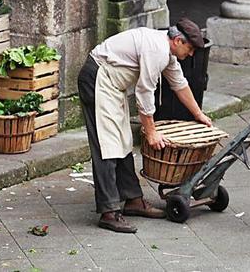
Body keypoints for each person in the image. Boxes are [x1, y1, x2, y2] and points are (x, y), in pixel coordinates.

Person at [77, 18, 213, 233]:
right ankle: (109, 212)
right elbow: (144, 91)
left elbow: (179, 83)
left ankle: (133, 200)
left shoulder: (166, 52)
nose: (192, 54)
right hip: (99, 80)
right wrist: (150, 132)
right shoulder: (157, 50)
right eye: (191, 48)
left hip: (112, 87)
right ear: (178, 40)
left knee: (123, 142)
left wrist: (199, 115)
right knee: (107, 146)